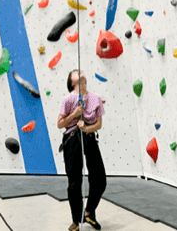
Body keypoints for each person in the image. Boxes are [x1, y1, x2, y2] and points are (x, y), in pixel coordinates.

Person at [57, 69, 106, 231]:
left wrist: (87, 128)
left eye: (81, 72)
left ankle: (89, 212)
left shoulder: (95, 99)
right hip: (72, 139)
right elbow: (60, 124)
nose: (81, 73)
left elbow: (99, 124)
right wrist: (74, 114)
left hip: (89, 136)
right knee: (74, 181)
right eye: (76, 73)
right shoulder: (68, 99)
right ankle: (76, 221)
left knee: (99, 179)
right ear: (72, 82)